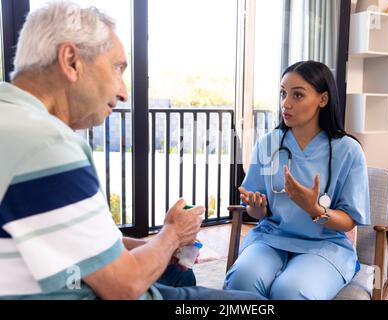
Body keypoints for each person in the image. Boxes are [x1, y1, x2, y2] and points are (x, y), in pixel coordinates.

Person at [0, 1, 263, 300]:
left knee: (179, 270)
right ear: (71, 60)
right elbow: (123, 286)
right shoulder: (48, 145)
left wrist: (163, 246)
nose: (124, 91)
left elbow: (79, 241)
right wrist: (173, 233)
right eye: (117, 68)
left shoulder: (12, 120)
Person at [224, 61, 370, 300]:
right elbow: (257, 211)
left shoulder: (348, 150)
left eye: (297, 95)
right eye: (283, 93)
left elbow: (349, 222)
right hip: (271, 238)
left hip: (324, 246)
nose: (286, 103)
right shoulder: (269, 144)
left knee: (290, 290)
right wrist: (257, 207)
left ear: (322, 99)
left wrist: (315, 209)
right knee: (242, 279)